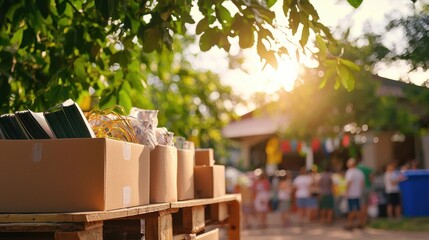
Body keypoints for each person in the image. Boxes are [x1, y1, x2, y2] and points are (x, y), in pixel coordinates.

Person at [344, 158, 365, 230]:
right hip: (358, 193)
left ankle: (350, 224)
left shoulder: (350, 172)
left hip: (351, 194)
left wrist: (346, 191)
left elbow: (349, 182)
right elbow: (362, 183)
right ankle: (360, 223)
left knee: (350, 209)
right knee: (358, 209)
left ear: (350, 164)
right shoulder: (360, 172)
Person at [357, 159, 374, 225]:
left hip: (361, 189)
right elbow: (372, 178)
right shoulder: (368, 169)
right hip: (368, 188)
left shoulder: (357, 169)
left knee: (362, 205)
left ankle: (361, 221)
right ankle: (365, 220)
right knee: (367, 205)